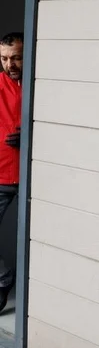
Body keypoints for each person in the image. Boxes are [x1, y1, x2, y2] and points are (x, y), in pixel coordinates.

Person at [0, 33, 23, 314]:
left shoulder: (42, 83)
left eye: (16, 57)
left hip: (37, 177)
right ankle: (4, 276)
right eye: (4, 58)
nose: (10, 64)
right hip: (2, 174)